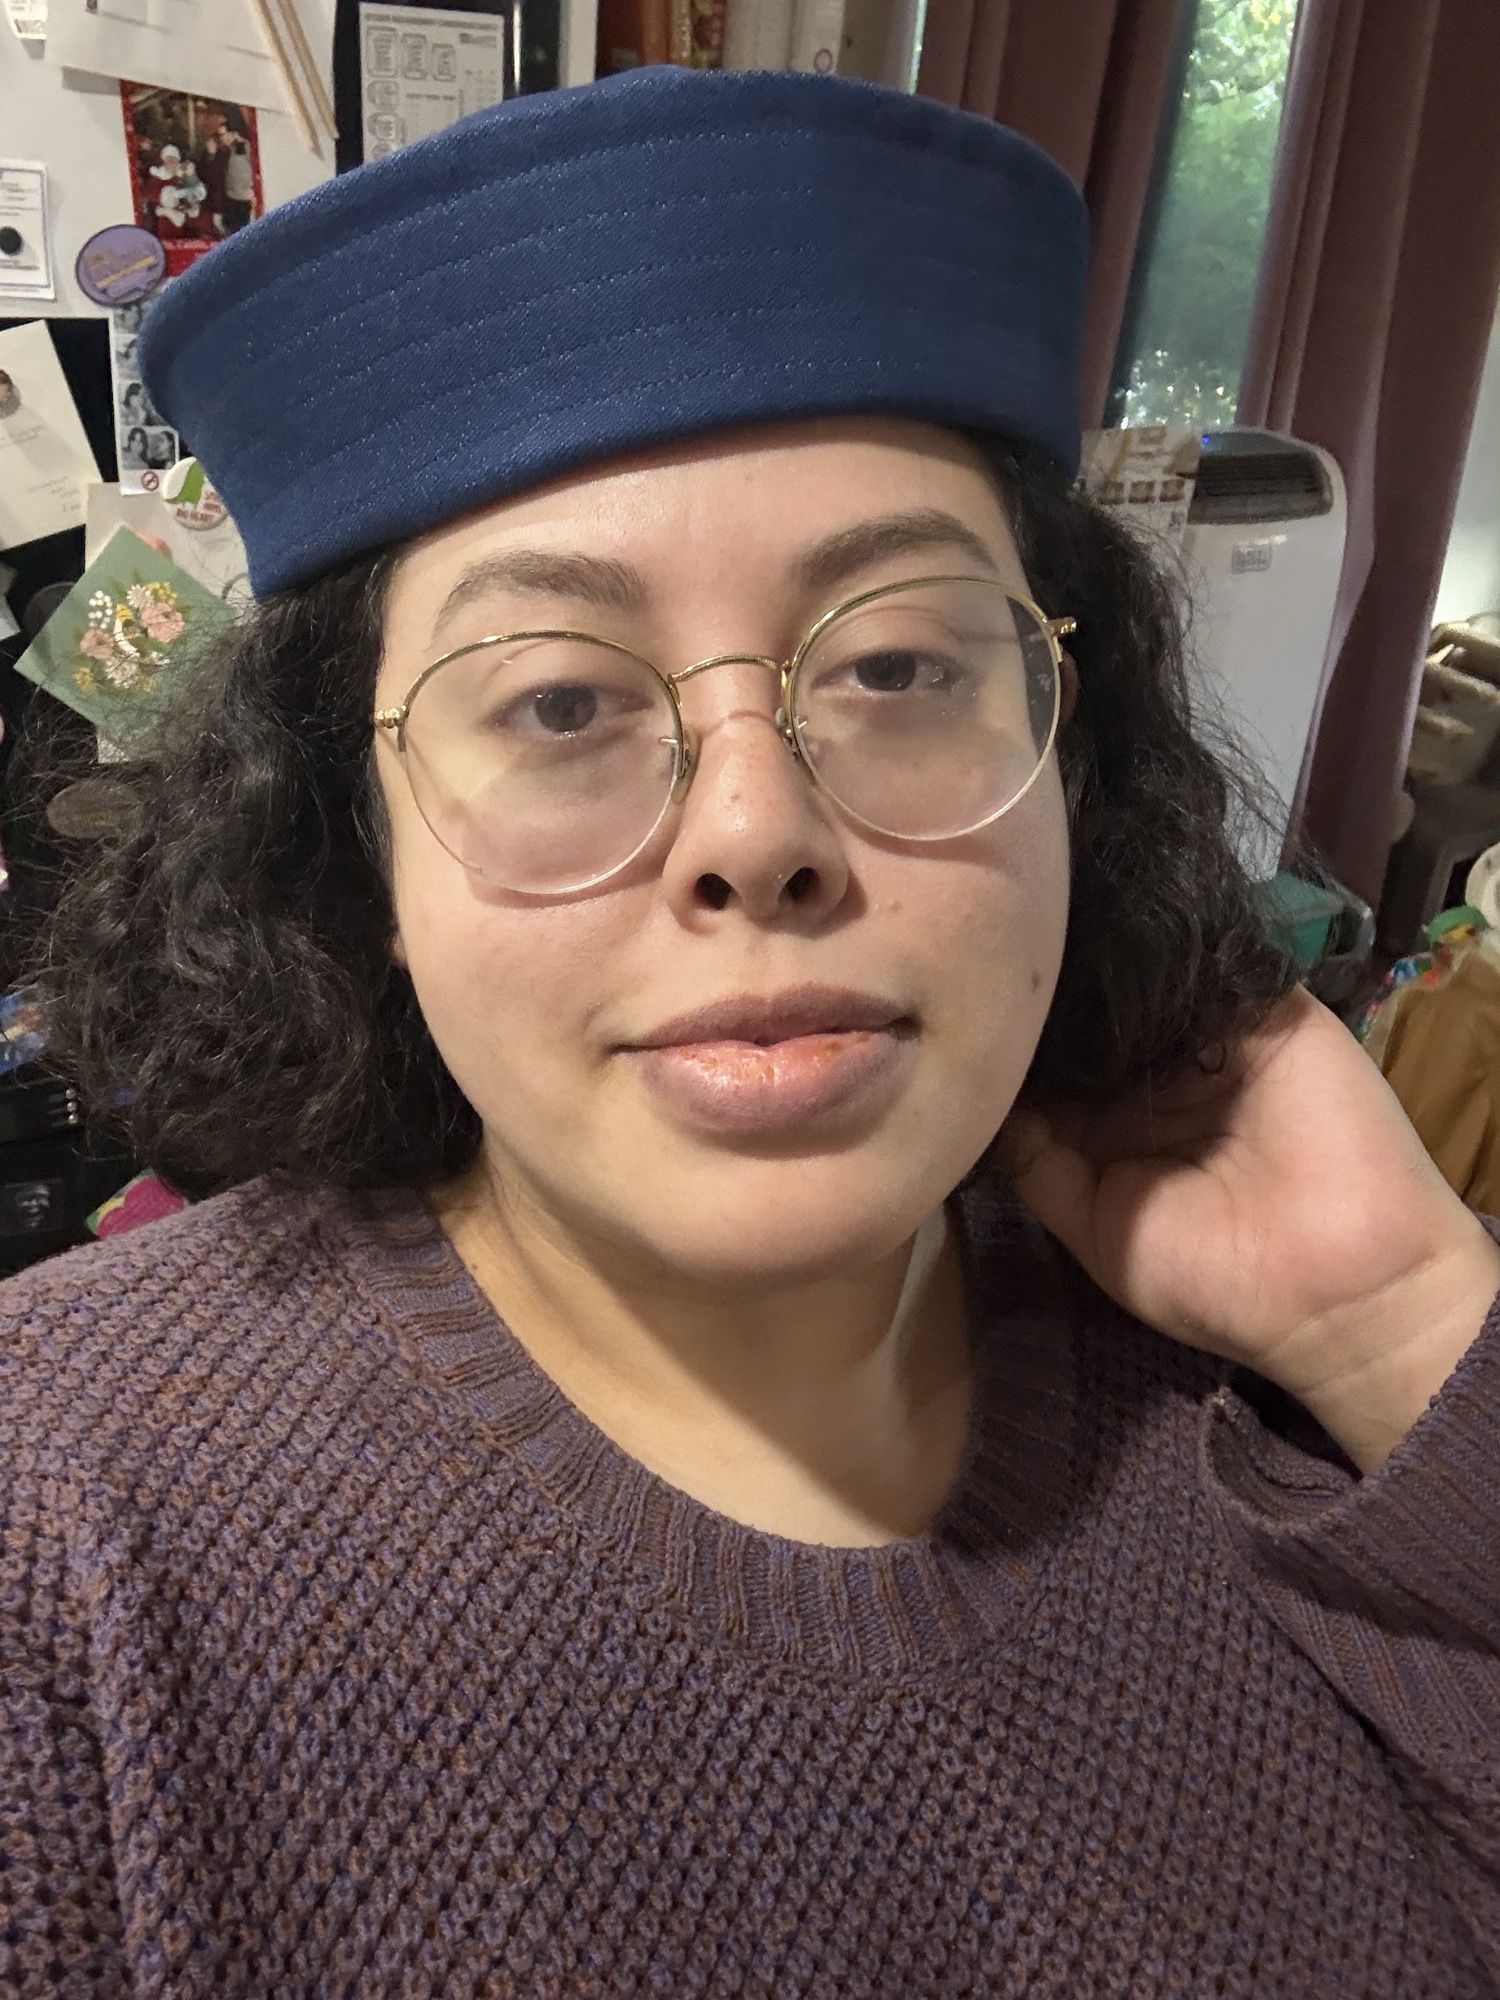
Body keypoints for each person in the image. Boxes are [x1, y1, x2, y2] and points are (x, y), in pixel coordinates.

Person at [1, 68, 1497, 1999]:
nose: (756, 833)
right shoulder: (59, 1534)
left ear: (1072, 752)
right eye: (558, 702)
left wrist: (1403, 1337)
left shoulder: (1297, 1391)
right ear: (354, 839)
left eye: (897, 663)